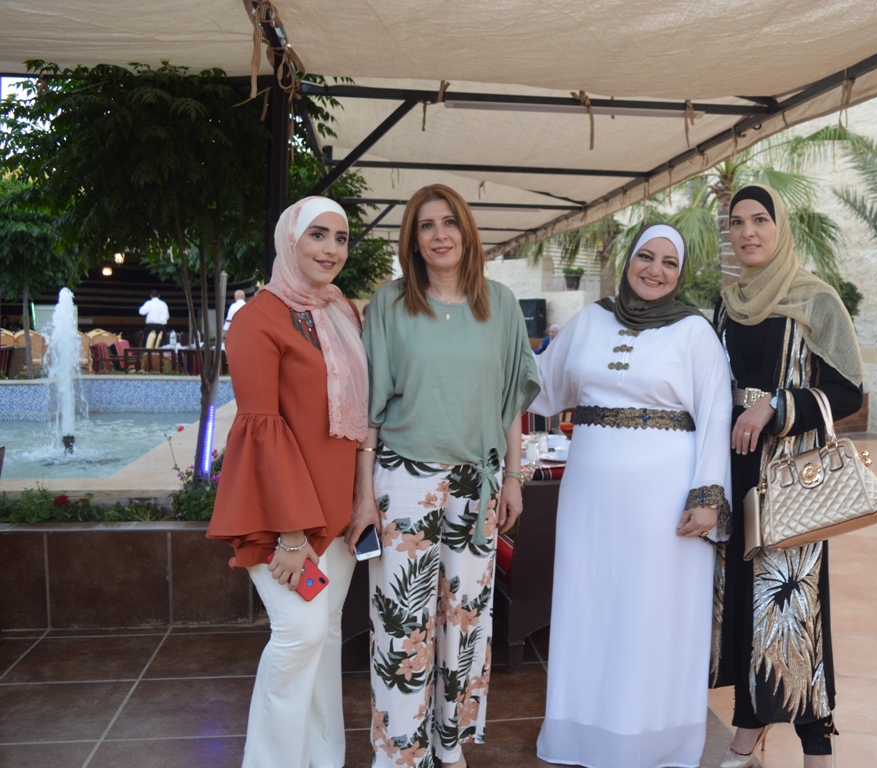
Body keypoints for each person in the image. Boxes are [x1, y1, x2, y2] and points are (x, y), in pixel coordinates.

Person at [348, 183, 539, 768]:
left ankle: (447, 744)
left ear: (467, 231)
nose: (439, 235)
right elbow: (369, 410)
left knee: (465, 619)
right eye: (426, 225)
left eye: (449, 222)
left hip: (477, 485)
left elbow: (510, 403)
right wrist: (363, 496)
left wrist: (513, 477)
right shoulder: (389, 304)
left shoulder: (500, 304)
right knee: (401, 622)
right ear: (412, 239)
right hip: (404, 481)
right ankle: (398, 753)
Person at [531, 223, 732, 768]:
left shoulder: (694, 331)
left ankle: (652, 740)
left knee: (651, 610)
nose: (655, 270)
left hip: (663, 497)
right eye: (646, 256)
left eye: (669, 262)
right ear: (628, 261)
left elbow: (717, 413)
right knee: (587, 602)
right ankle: (579, 735)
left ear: (680, 273)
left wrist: (707, 496)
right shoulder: (591, 320)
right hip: (589, 494)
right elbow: (540, 383)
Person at [207, 196, 372, 768]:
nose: (331, 249)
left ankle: (323, 758)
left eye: (341, 238)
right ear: (289, 240)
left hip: (339, 511)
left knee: (325, 635)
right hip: (286, 518)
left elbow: (357, 422)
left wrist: (361, 498)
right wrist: (293, 534)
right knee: (300, 634)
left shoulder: (342, 311)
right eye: (317, 235)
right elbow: (262, 430)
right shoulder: (258, 318)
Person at [712, 185, 864, 768]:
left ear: (781, 227)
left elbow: (848, 391)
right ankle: (748, 726)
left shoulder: (815, 299)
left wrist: (777, 405)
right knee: (742, 603)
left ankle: (816, 744)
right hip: (734, 471)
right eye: (737, 222)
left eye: (760, 220)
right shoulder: (728, 302)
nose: (748, 232)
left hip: (790, 479)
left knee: (794, 608)